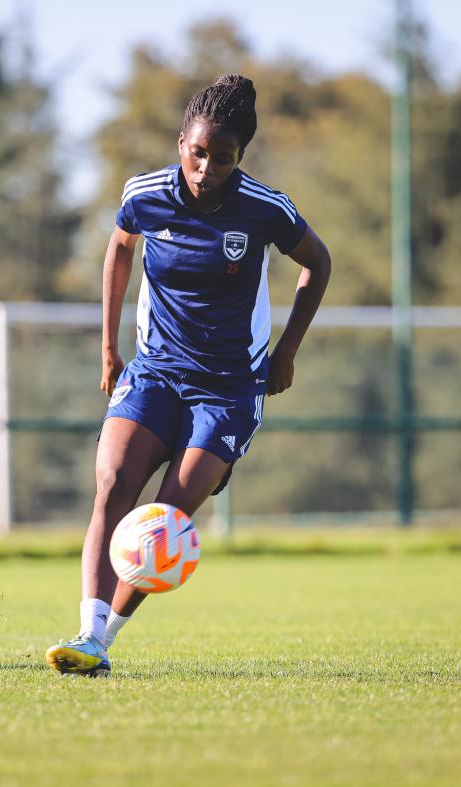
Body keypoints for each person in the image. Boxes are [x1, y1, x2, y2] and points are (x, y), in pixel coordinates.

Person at [46, 75, 331, 676]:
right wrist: (108, 347)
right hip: (155, 372)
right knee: (113, 484)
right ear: (181, 142)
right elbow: (120, 248)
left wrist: (286, 352)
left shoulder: (265, 208)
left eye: (222, 158)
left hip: (229, 388)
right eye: (197, 153)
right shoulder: (145, 194)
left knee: (166, 519)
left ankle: (103, 642)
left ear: (239, 157)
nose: (206, 168)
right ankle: (87, 632)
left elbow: (318, 263)